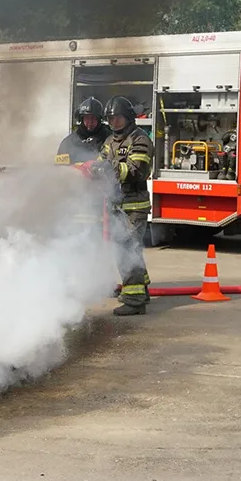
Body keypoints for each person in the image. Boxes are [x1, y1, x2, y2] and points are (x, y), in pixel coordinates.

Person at [91, 95, 154, 316]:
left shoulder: (140, 140)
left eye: (118, 118)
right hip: (117, 205)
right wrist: (94, 169)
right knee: (129, 250)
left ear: (128, 117)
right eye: (110, 118)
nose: (114, 122)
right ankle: (141, 290)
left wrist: (109, 169)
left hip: (134, 207)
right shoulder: (110, 141)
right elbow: (101, 162)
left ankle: (135, 301)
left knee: (127, 251)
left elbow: (136, 170)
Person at [55, 97, 112, 165]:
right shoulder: (68, 143)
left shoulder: (109, 139)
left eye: (93, 118)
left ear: (99, 120)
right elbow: (59, 167)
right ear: (81, 119)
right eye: (87, 118)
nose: (90, 121)